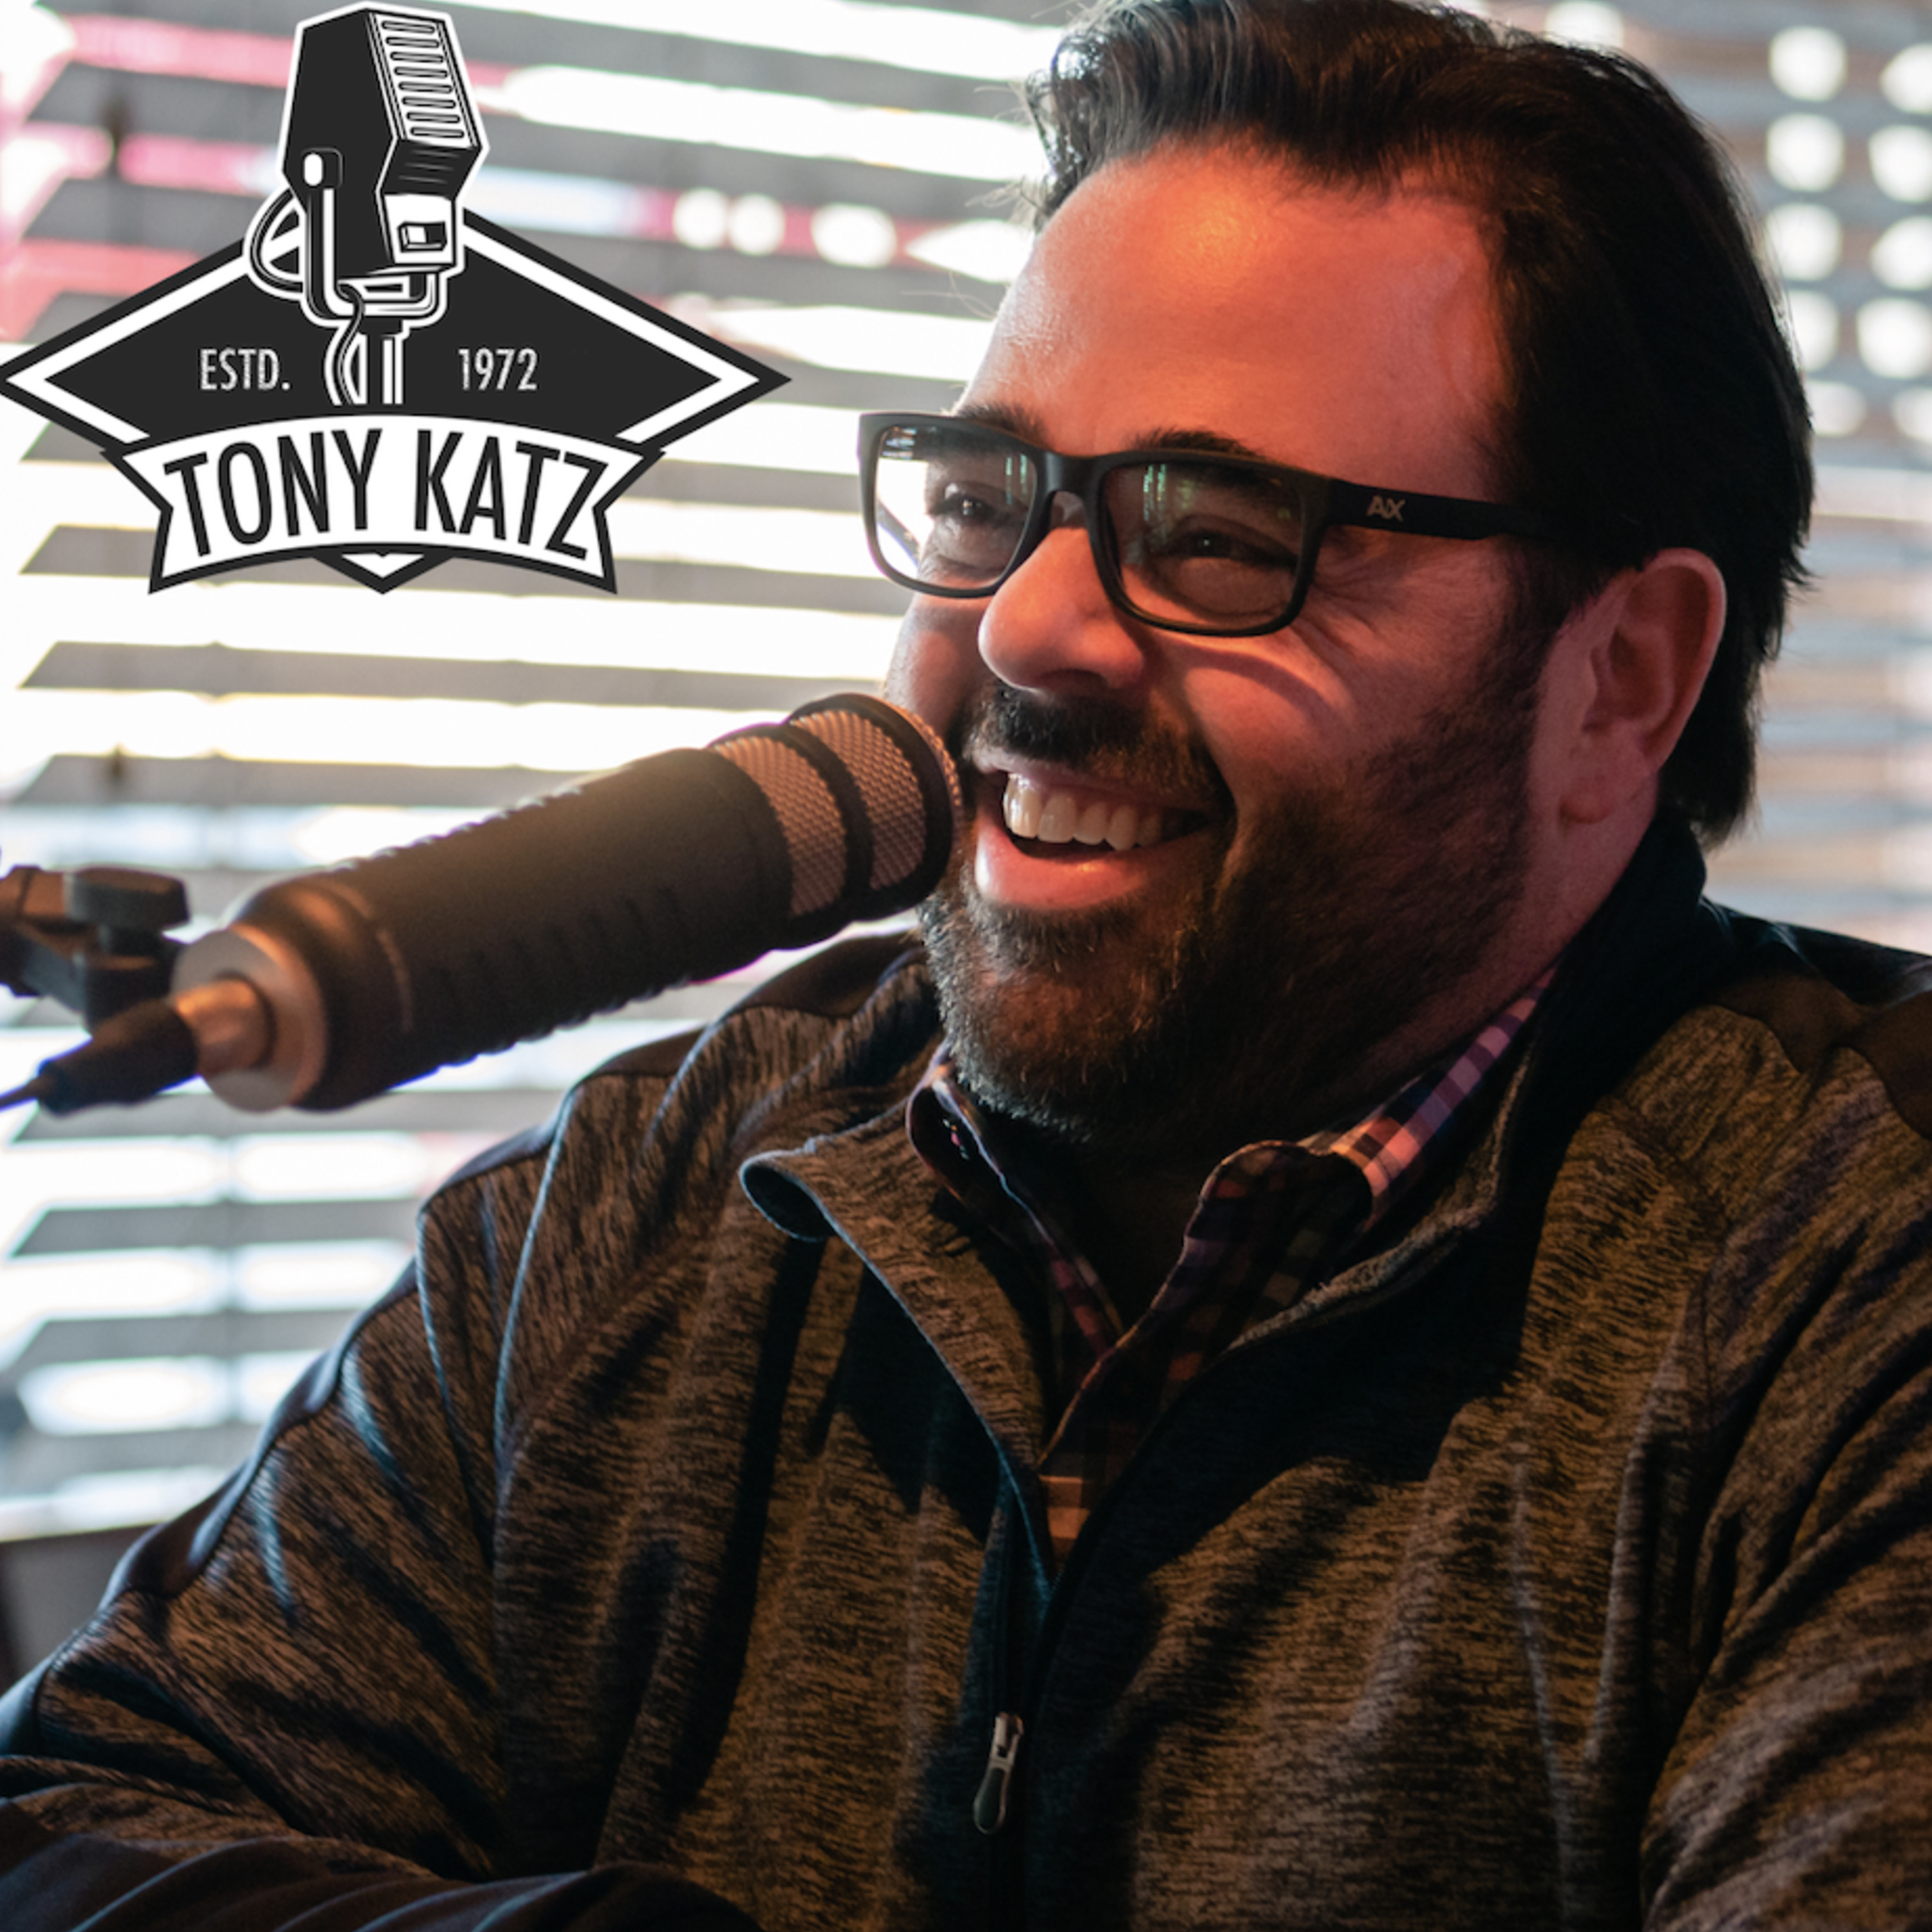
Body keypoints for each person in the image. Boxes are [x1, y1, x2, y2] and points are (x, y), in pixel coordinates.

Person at [2, 0, 1929, 1924]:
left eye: (1219, 530)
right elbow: (75, 1824)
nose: (1024, 625)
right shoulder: (653, 1207)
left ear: (1621, 680)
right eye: (989, 497)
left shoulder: (1851, 1278)